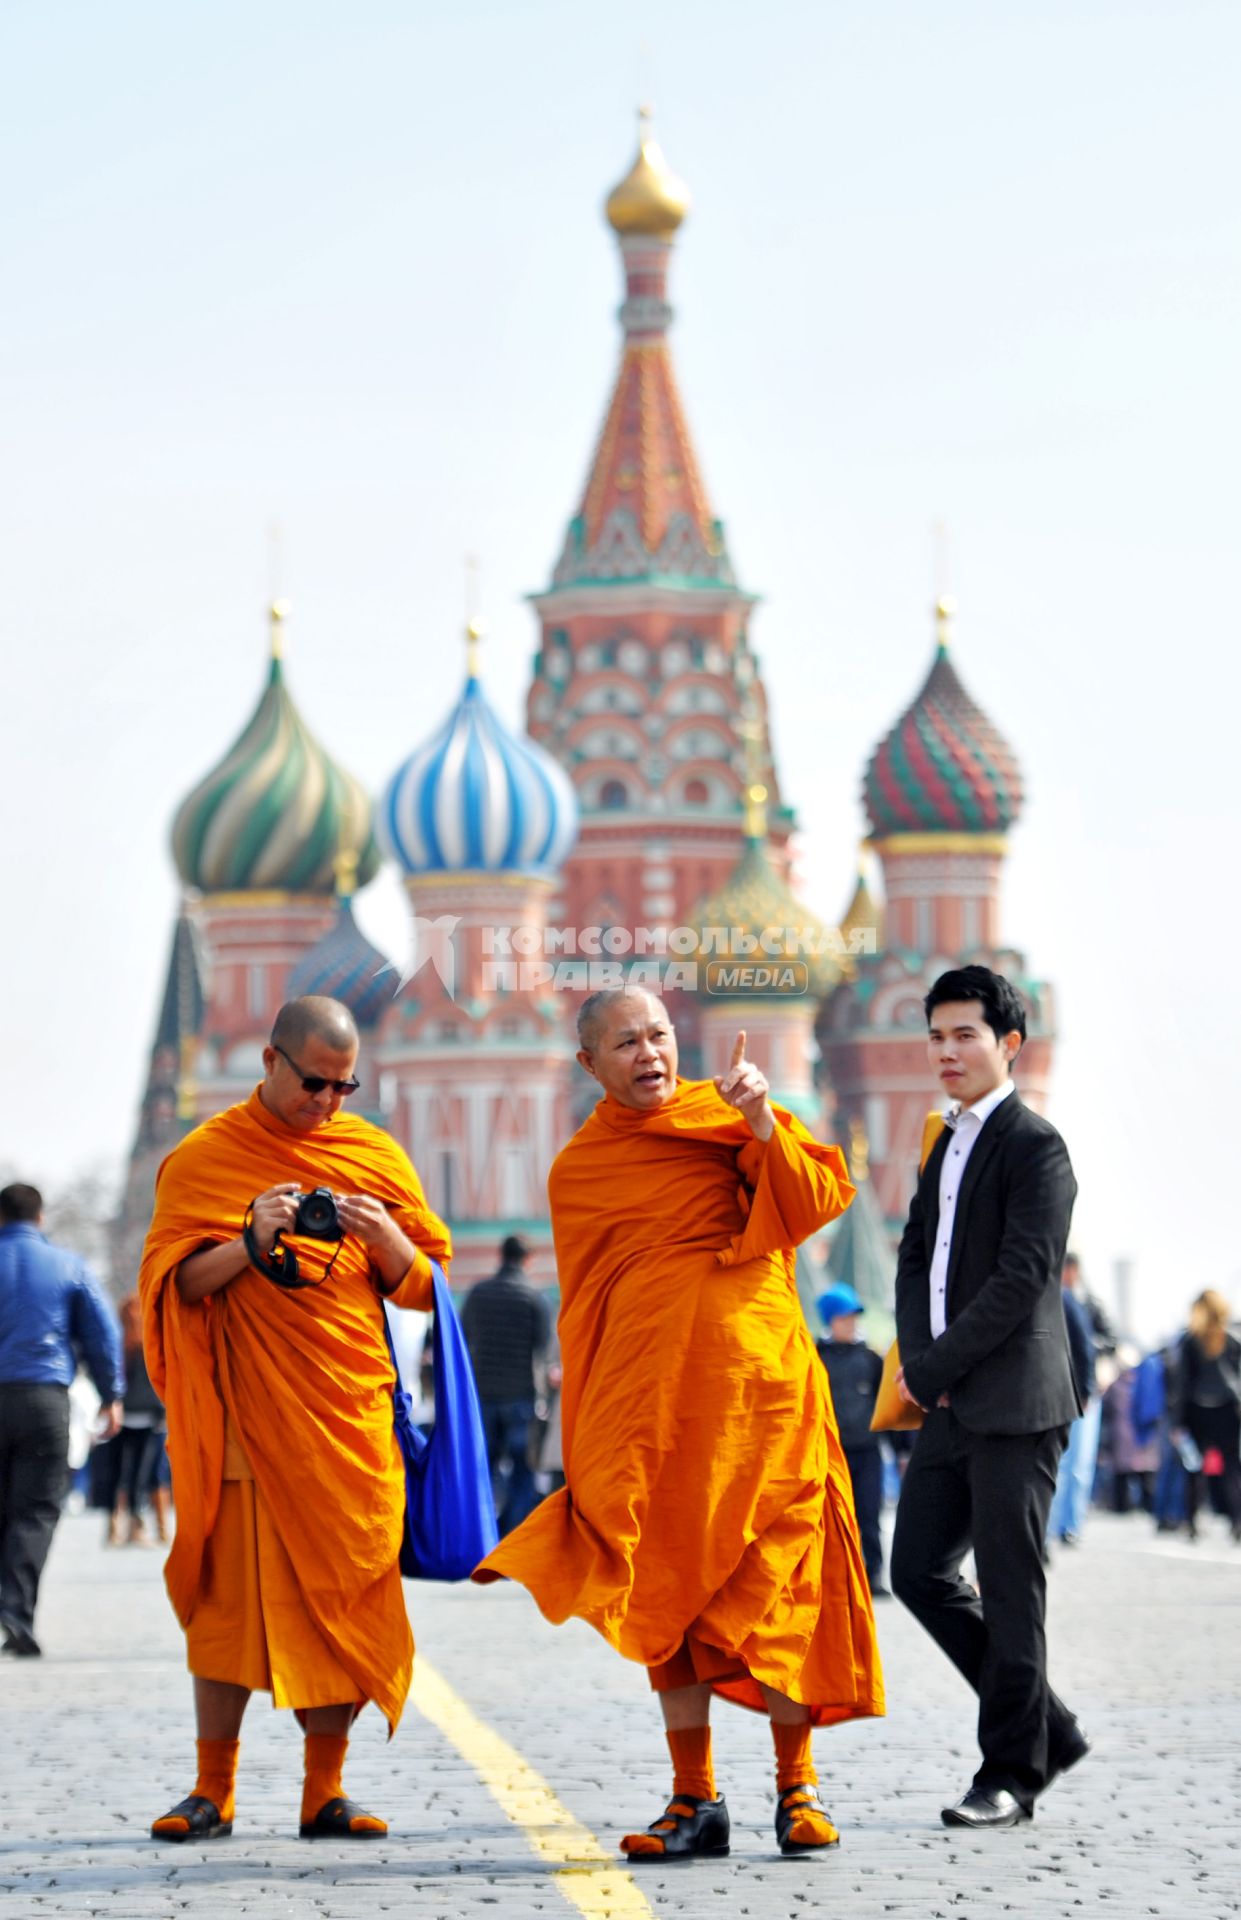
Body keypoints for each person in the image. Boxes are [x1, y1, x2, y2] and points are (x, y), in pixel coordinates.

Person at [475, 989, 882, 1861]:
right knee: (668, 1594)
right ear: (589, 1065)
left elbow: (814, 1202)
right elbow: (587, 1307)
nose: (648, 1052)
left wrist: (764, 1122)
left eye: (658, 1034)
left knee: (780, 1591)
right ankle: (694, 1796)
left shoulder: (726, 1116)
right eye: (625, 1042)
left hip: (761, 1399)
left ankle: (797, 1787)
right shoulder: (581, 1168)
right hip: (654, 1412)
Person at [140, 996, 451, 1842]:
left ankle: (325, 1790)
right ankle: (213, 1789)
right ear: (270, 1062)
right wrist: (248, 1240)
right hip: (248, 1417)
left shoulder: (371, 1153)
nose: (327, 1103)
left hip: (350, 1415)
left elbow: (426, 1288)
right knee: (227, 1608)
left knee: (346, 1595)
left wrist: (388, 1240)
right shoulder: (206, 1157)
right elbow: (176, 1288)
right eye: (313, 1081)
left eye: (344, 1084)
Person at [890, 965, 1088, 1829]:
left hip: (1014, 1403)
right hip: (951, 1400)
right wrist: (918, 1359)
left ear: (1009, 1044)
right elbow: (912, 1257)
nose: (946, 1052)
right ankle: (1046, 1725)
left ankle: (1010, 1772)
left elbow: (1019, 1282)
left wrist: (929, 1371)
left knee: (1011, 1590)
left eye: (964, 1034)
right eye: (935, 1036)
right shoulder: (943, 1141)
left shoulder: (1035, 1145)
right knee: (915, 1571)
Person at [0, 1182, 123, 1656]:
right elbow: (101, 1332)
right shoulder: (68, 1266)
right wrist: (110, 1394)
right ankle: (17, 1610)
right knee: (34, 1510)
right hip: (43, 1397)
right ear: (41, 1217)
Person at [462, 1234, 550, 1535]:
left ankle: (481, 1534)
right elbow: (543, 1347)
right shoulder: (534, 1298)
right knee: (522, 1472)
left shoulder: (477, 1294)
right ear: (528, 1260)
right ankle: (512, 1536)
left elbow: (464, 1338)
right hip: (521, 1397)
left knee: (482, 1469)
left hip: (483, 1395)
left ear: (501, 1255)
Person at [814, 1282, 887, 1596]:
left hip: (867, 1451)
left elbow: (887, 1404)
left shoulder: (870, 1358)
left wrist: (902, 1448)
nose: (851, 1324)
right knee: (829, 1519)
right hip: (830, 1453)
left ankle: (873, 1575)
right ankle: (832, 1578)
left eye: (854, 1318)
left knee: (869, 1514)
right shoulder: (816, 1357)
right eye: (845, 1318)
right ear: (830, 1321)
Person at [1169, 1290, 1241, 1543]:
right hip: (1228, 1410)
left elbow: (1181, 1383)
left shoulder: (1191, 1340)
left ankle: (1192, 1522)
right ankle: (1237, 1521)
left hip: (1197, 1410)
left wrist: (1176, 1421)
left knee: (1194, 1469)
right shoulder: (1232, 1338)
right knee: (1232, 1468)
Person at [1046, 1256, 1100, 1548]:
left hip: (1073, 1394)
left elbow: (1085, 1348)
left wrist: (1086, 1392)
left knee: (1074, 1465)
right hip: (1056, 1394)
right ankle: (1053, 1529)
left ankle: (1069, 1526)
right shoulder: (1060, 1296)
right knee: (1062, 1467)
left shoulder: (1073, 1300)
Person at [107, 1293, 169, 1548]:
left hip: (121, 1414)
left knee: (120, 1473)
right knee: (150, 1473)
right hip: (149, 1415)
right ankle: (148, 1526)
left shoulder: (117, 1343)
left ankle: (114, 1527)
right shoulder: (151, 1341)